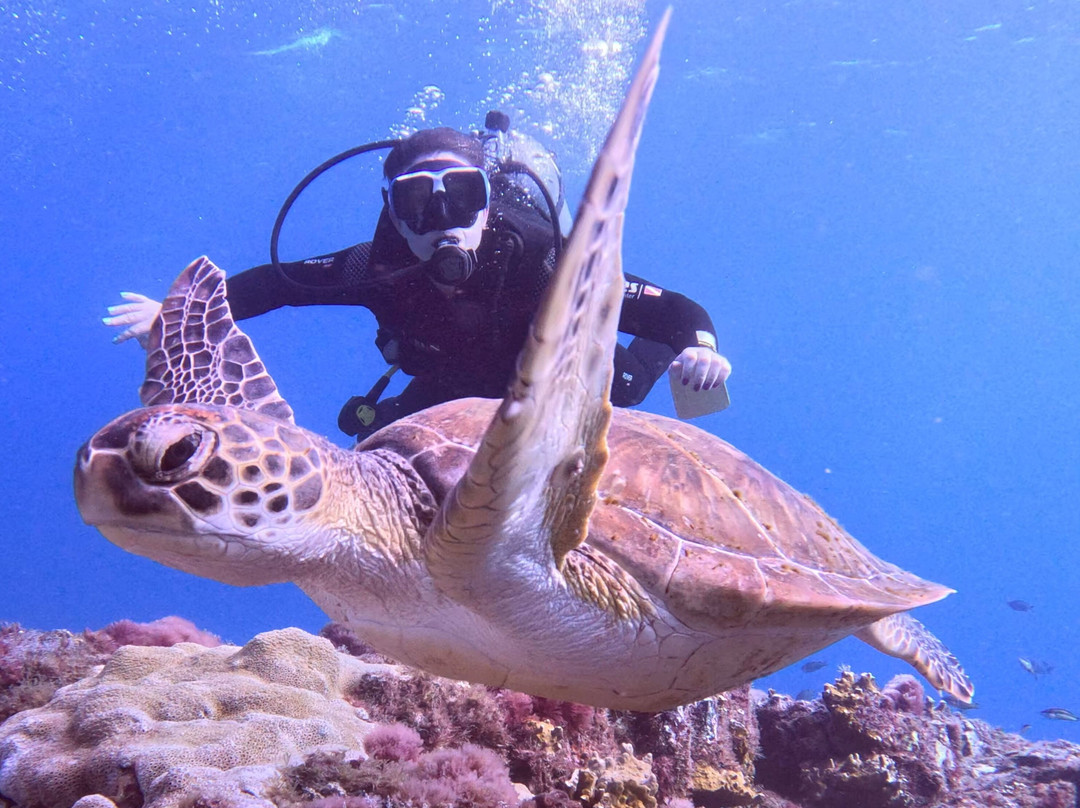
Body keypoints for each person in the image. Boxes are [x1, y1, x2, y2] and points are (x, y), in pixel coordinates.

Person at [106, 122, 731, 440]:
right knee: (383, 446)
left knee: (625, 387)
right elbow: (276, 284)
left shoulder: (547, 260)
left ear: (488, 204)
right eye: (416, 203)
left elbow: (675, 308)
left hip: (552, 376)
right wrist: (176, 313)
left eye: (463, 196)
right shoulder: (375, 268)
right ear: (392, 210)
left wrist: (700, 349)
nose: (443, 221)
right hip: (451, 381)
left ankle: (651, 361)